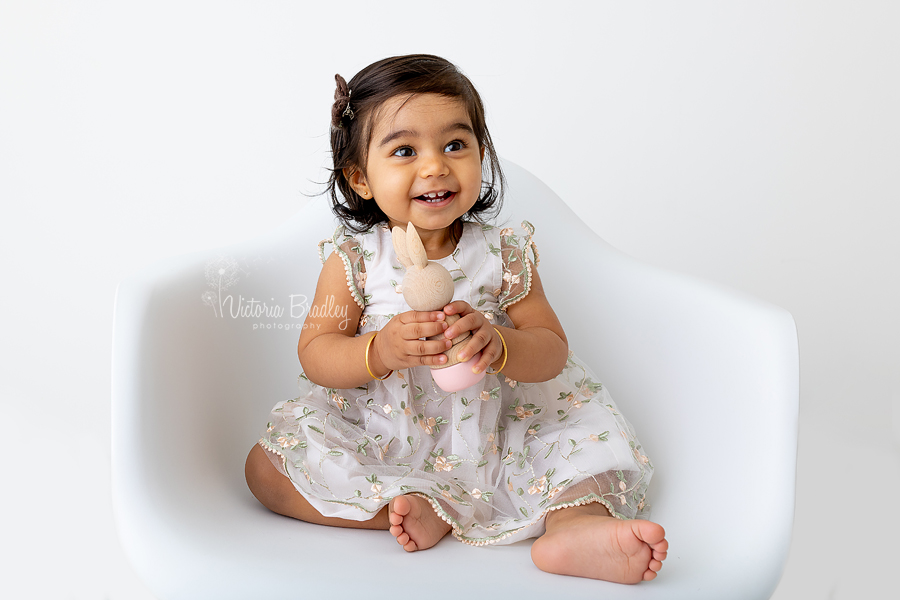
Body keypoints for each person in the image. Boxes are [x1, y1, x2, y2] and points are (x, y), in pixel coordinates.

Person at [244, 54, 667, 584]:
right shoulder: (356, 259)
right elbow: (316, 351)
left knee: (585, 447)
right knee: (266, 468)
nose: (435, 166)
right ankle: (410, 507)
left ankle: (574, 528)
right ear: (361, 179)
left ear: (481, 155)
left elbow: (552, 347)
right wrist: (379, 351)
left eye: (455, 145)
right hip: (386, 433)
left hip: (500, 430)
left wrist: (502, 344)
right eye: (404, 150)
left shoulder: (503, 253)